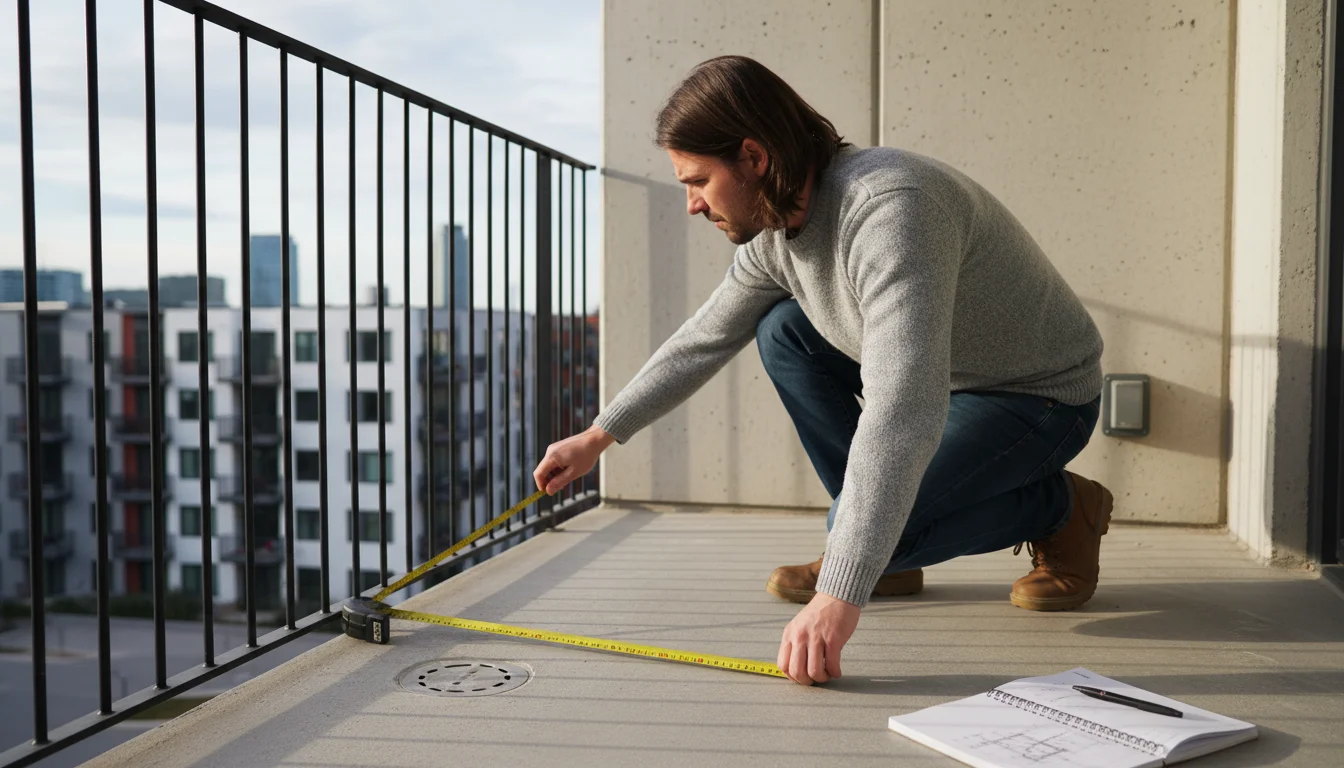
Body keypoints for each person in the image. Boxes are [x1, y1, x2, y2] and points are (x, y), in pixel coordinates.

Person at [532, 55, 1110, 686]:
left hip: (1036, 397)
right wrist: (599, 436)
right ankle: (873, 547)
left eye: (698, 181)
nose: (692, 205)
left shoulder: (892, 212)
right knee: (783, 329)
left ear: (754, 158)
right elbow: (704, 337)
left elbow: (902, 410)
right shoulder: (773, 233)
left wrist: (839, 592)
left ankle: (1060, 509)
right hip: (947, 383)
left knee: (876, 533)